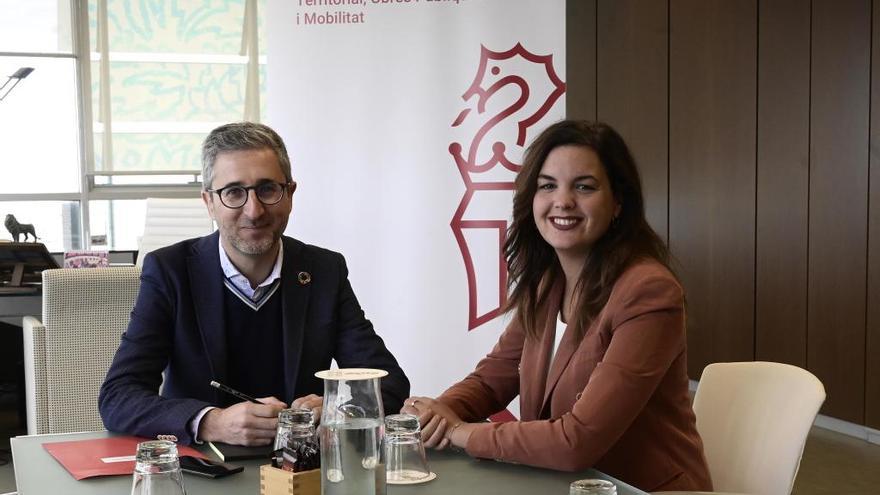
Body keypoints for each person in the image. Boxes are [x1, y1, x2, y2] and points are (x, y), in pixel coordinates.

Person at [402, 120, 712, 491]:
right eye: (548, 185)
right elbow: (492, 380)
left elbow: (576, 441)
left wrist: (460, 432)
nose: (563, 201)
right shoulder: (547, 284)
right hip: (560, 484)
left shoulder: (648, 292)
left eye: (584, 186)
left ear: (618, 203)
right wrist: (436, 415)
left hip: (636, 488)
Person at [99, 122, 410, 446]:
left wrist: (338, 409)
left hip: (300, 469)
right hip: (203, 470)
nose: (254, 210)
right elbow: (118, 396)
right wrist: (211, 422)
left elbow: (389, 383)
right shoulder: (171, 270)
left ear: (289, 193)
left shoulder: (323, 271)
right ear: (209, 202)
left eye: (267, 189)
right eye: (234, 192)